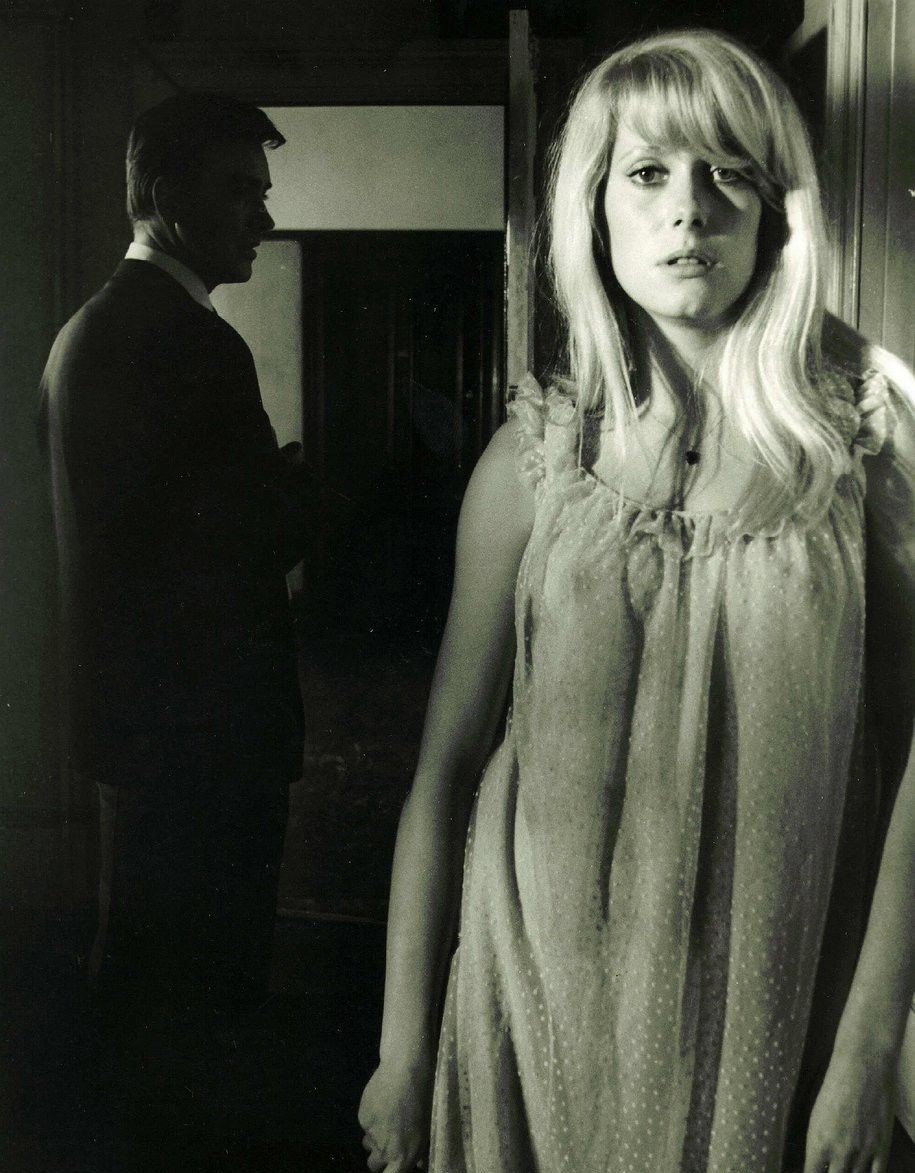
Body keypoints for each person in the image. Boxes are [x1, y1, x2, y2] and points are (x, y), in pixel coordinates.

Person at [358, 29, 915, 1173]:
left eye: (728, 172)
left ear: (778, 210)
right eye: (649, 173)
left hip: (780, 1012)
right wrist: (402, 1052)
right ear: (594, 209)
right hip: (534, 1013)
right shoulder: (536, 461)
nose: (689, 209)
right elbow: (445, 772)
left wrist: (869, 1049)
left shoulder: (869, 444)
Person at [39, 93, 310, 1134]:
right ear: (162, 195)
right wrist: (304, 488)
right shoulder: (193, 344)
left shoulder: (83, 333)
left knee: (142, 982)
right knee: (205, 1002)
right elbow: (248, 543)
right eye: (239, 190)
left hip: (135, 726)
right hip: (208, 738)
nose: (262, 216)